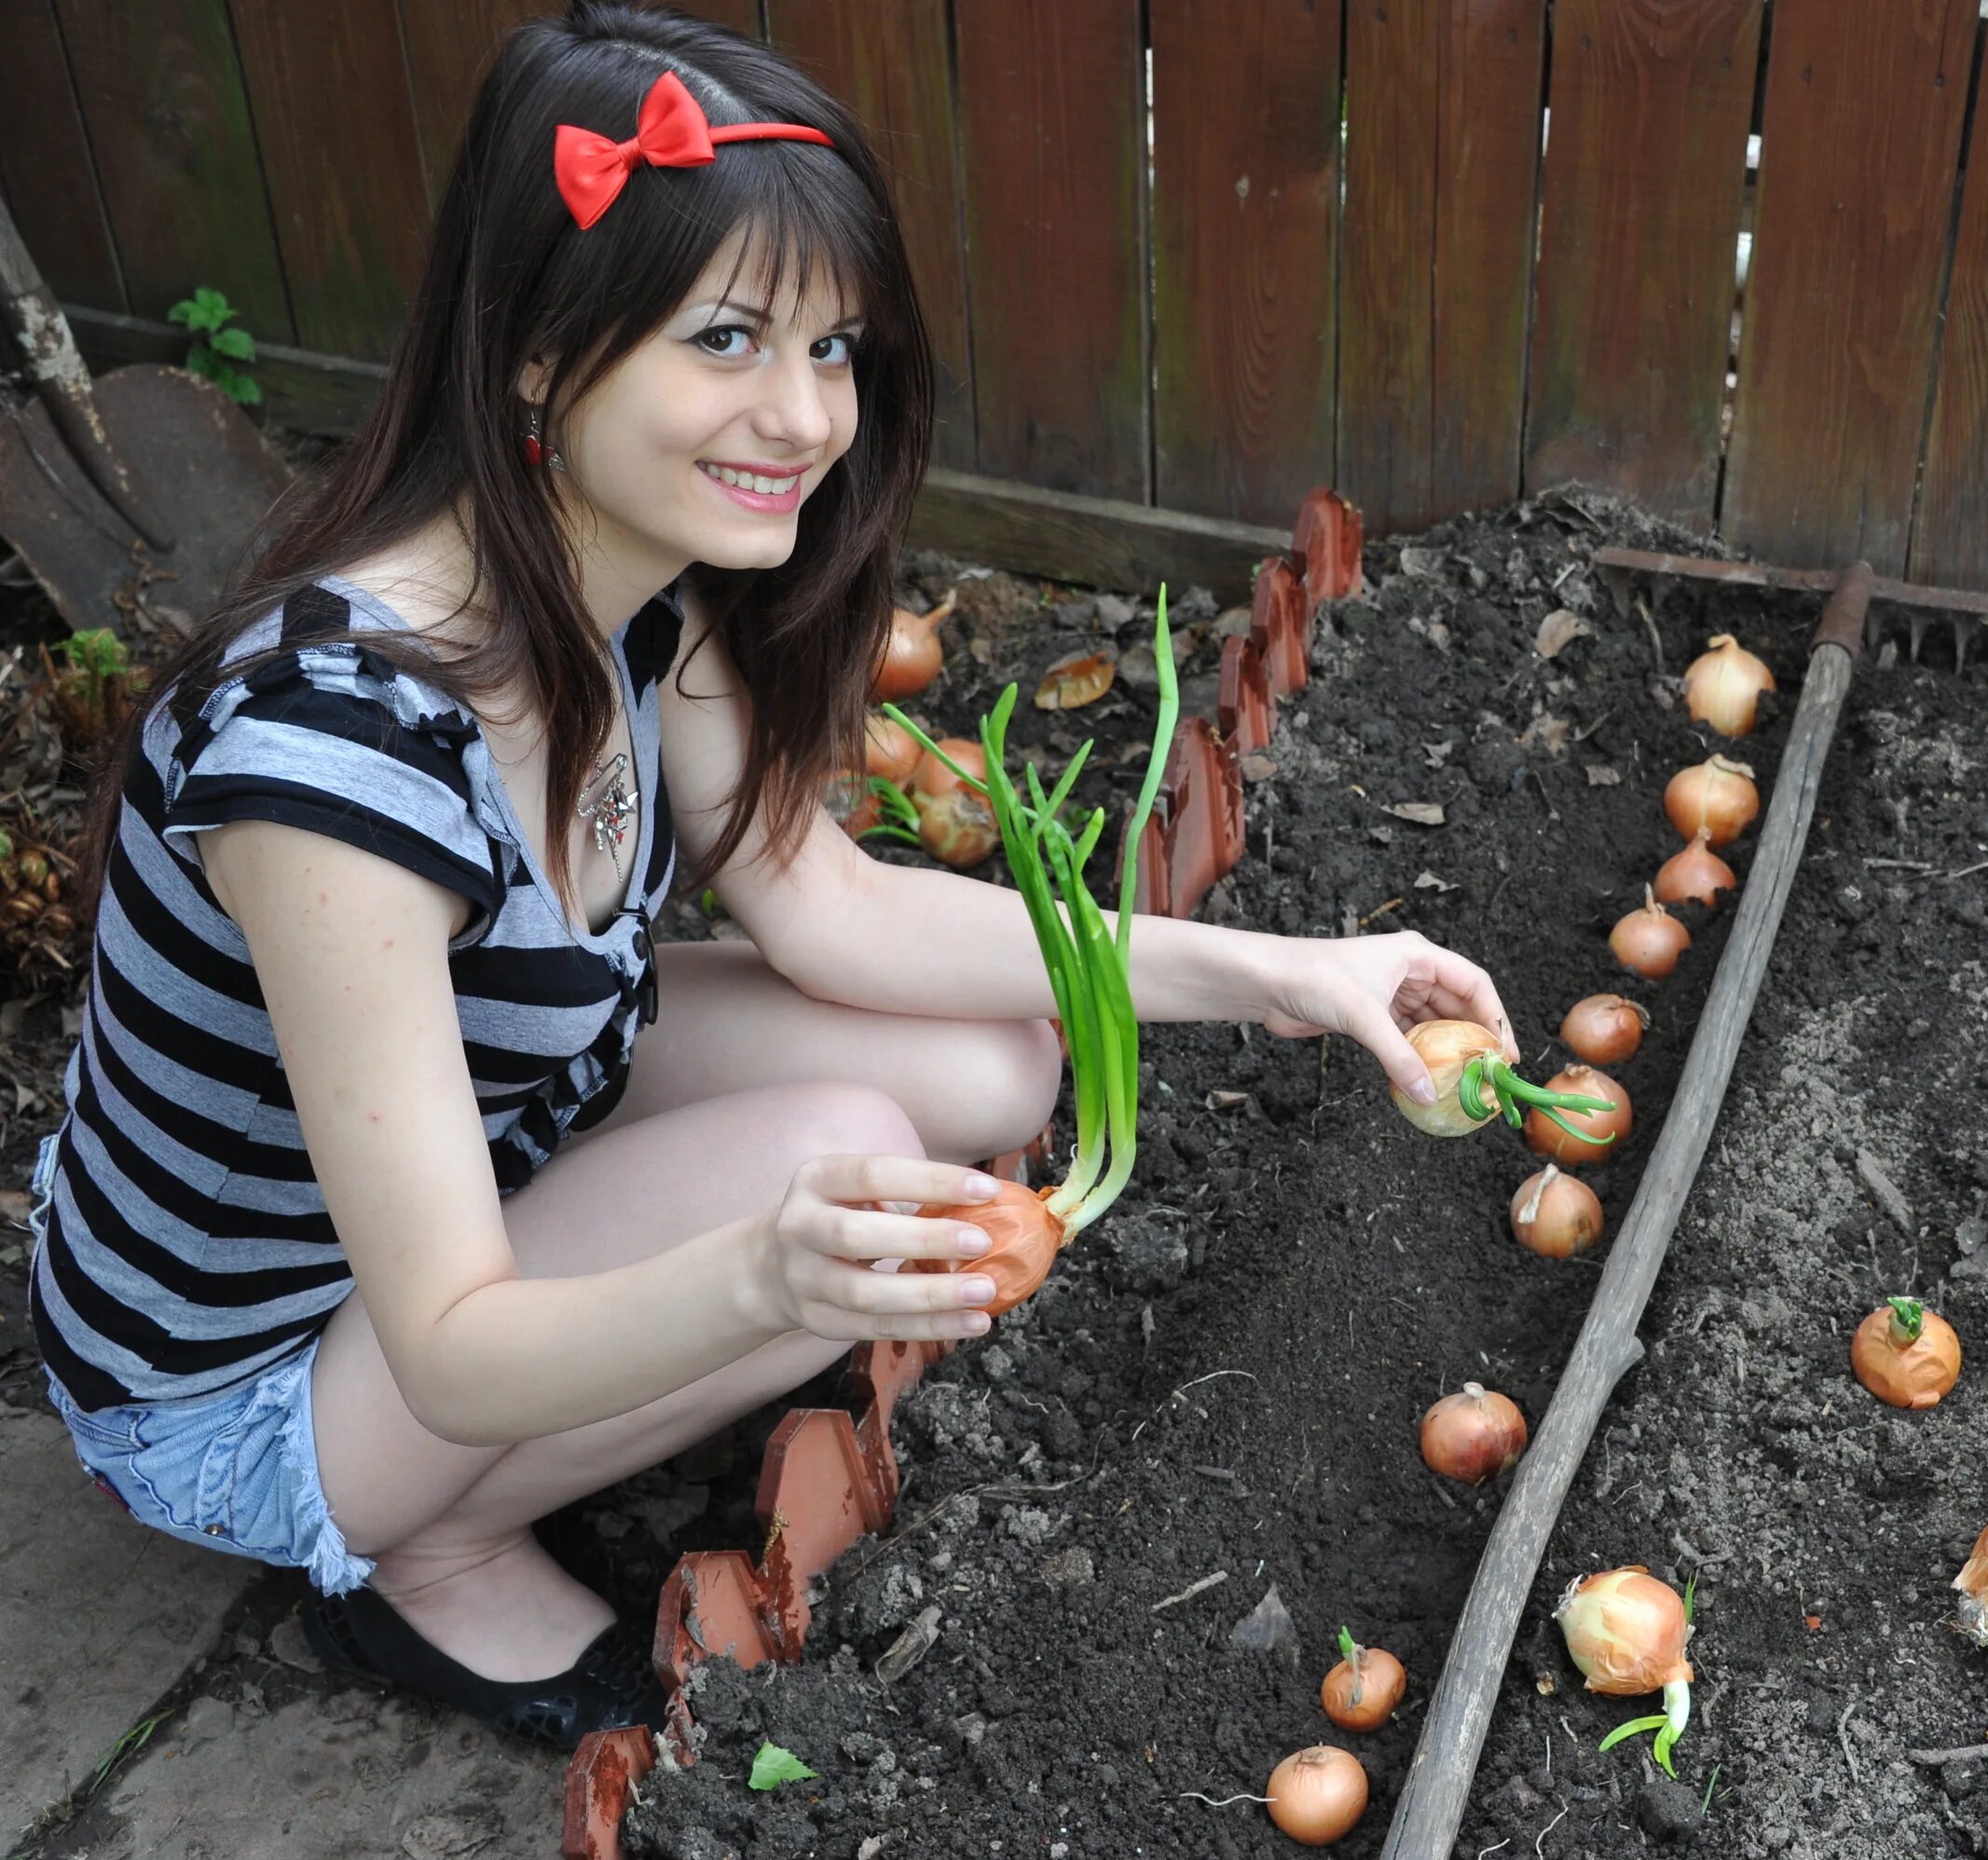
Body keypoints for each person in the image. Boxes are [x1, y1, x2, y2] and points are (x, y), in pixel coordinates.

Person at [23, 2, 1515, 1749]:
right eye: (726, 339)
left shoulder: (636, 590)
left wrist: (1290, 976)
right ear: (535, 353)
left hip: (482, 1140)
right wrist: (762, 1278)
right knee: (843, 1153)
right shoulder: (330, 765)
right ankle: (429, 1557)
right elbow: (443, 1341)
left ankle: (623, 1337)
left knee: (997, 1061)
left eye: (833, 347)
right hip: (255, 1381)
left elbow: (839, 910)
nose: (804, 418)